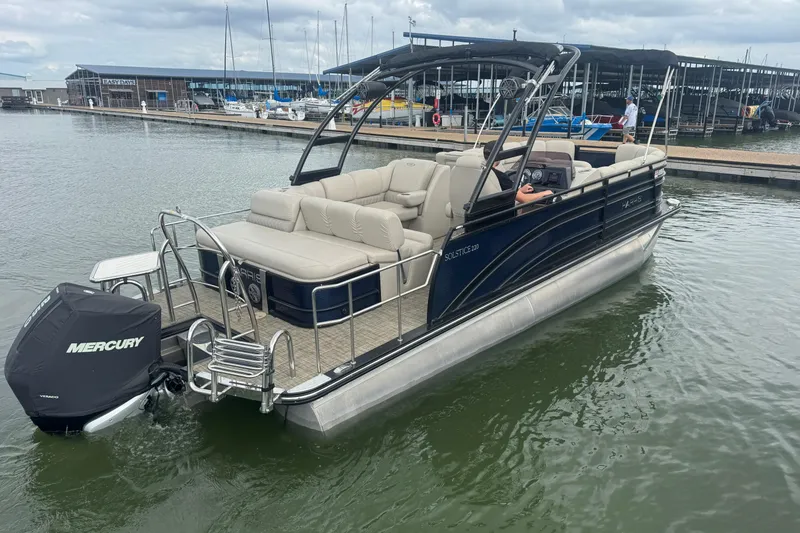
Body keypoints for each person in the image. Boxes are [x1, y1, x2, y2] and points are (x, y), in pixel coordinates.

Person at [484, 141, 553, 203]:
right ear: (500, 155)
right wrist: (544, 193)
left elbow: (502, 191)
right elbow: (525, 199)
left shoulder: (482, 172)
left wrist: (520, 190)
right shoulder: (501, 177)